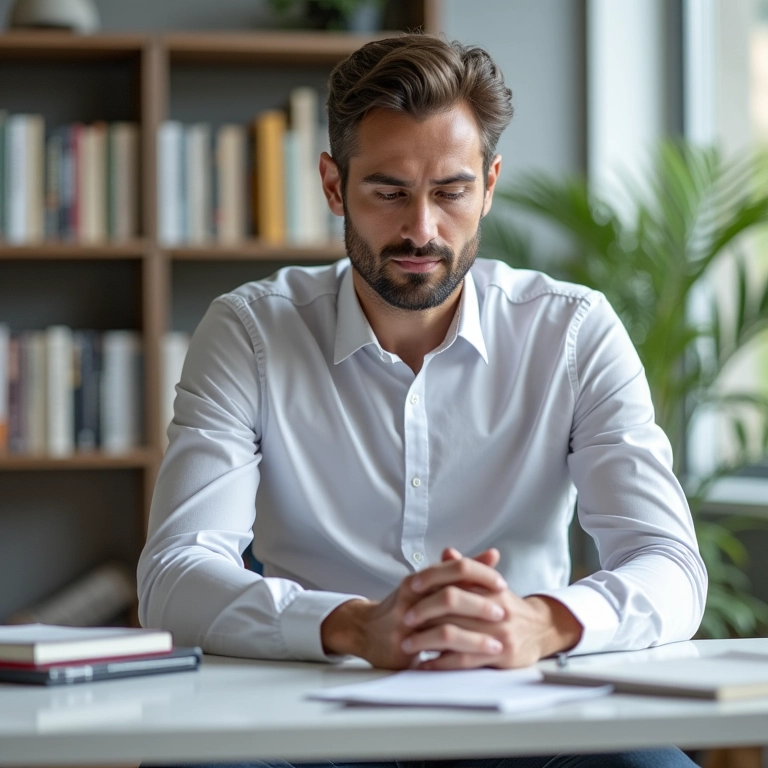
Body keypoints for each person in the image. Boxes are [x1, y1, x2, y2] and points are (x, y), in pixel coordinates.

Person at [138, 33, 707, 768]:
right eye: (389, 192)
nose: (421, 230)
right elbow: (174, 572)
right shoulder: (250, 330)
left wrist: (542, 621)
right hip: (304, 719)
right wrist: (348, 625)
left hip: (529, 720)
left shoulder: (573, 331)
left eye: (450, 191)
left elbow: (669, 563)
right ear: (334, 185)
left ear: (490, 183)